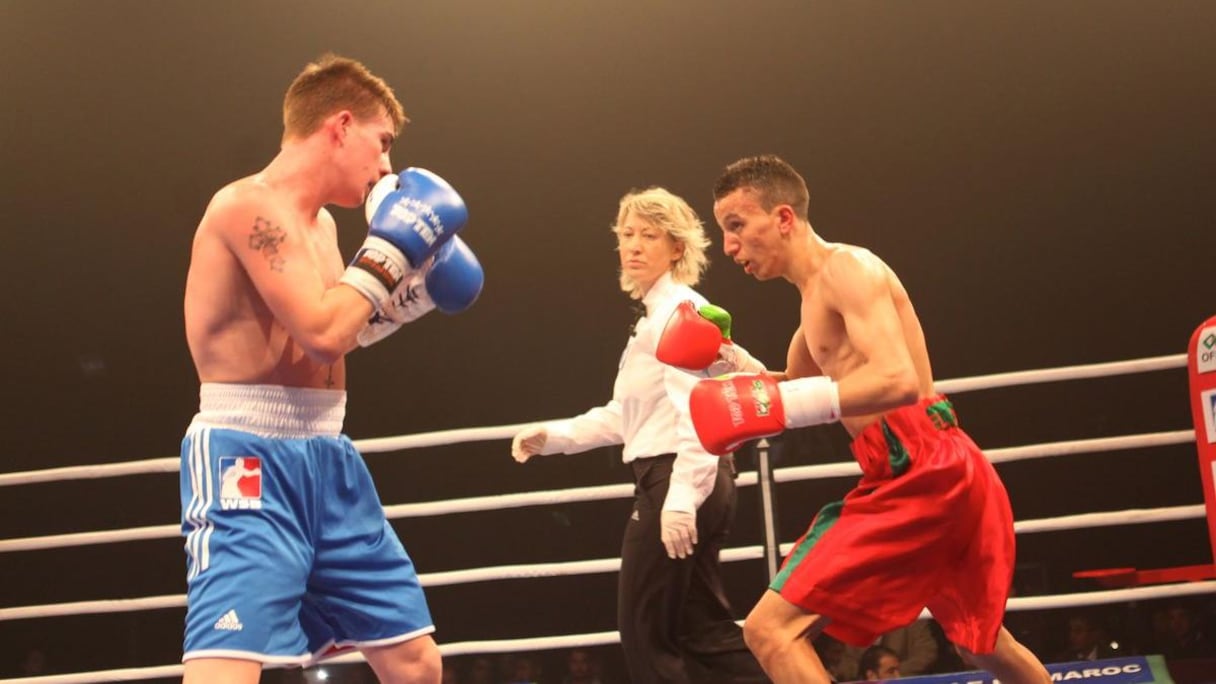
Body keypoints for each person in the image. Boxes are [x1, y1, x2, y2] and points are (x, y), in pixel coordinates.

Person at [676, 154, 1051, 683]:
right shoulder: (810, 305)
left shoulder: (849, 269)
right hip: (919, 469)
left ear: (783, 217)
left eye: (737, 226)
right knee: (982, 643)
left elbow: (896, 380)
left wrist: (784, 404)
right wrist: (726, 360)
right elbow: (793, 384)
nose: (731, 245)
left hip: (925, 471)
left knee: (770, 630)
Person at [180, 53, 483, 684]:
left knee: (415, 662)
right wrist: (394, 247)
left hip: (327, 456)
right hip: (248, 459)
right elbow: (319, 333)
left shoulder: (321, 228)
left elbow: (342, 329)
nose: (386, 168)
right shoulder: (246, 207)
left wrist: (409, 300)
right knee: (227, 669)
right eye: (382, 143)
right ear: (340, 125)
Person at [510, 187, 768, 683]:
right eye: (627, 234)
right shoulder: (656, 316)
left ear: (677, 247)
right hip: (688, 474)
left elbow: (697, 407)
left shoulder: (678, 310)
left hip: (679, 475)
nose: (633, 245)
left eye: (648, 235)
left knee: (645, 632)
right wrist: (555, 436)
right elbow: (625, 415)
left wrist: (680, 498)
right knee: (703, 633)